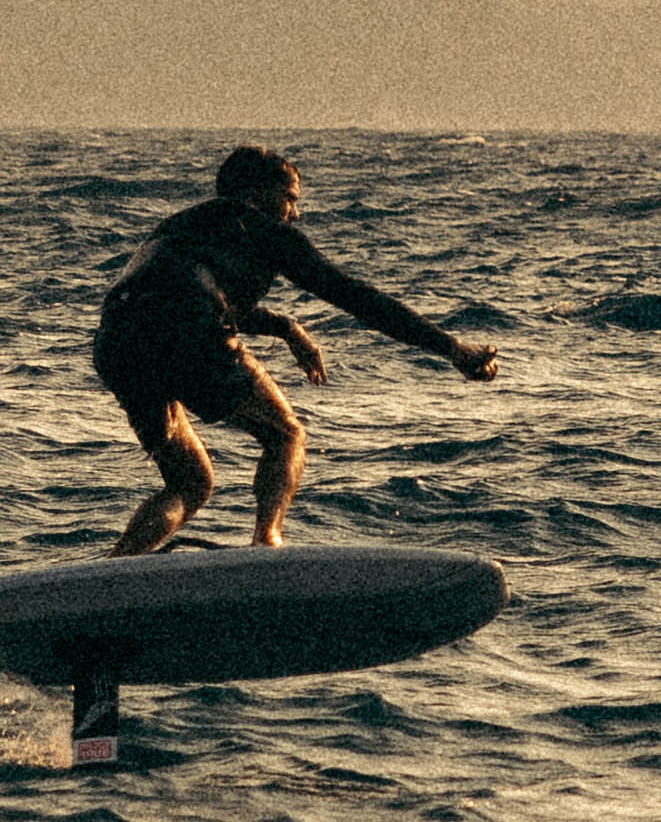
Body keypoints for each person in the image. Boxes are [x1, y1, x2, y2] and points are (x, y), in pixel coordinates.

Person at [92, 147, 498, 553]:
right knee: (286, 435)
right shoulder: (260, 229)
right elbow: (353, 296)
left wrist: (286, 327)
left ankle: (114, 569)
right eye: (290, 198)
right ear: (255, 193)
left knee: (189, 483)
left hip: (117, 341)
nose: (295, 213)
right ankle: (266, 542)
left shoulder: (179, 227)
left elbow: (182, 297)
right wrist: (451, 348)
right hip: (190, 334)